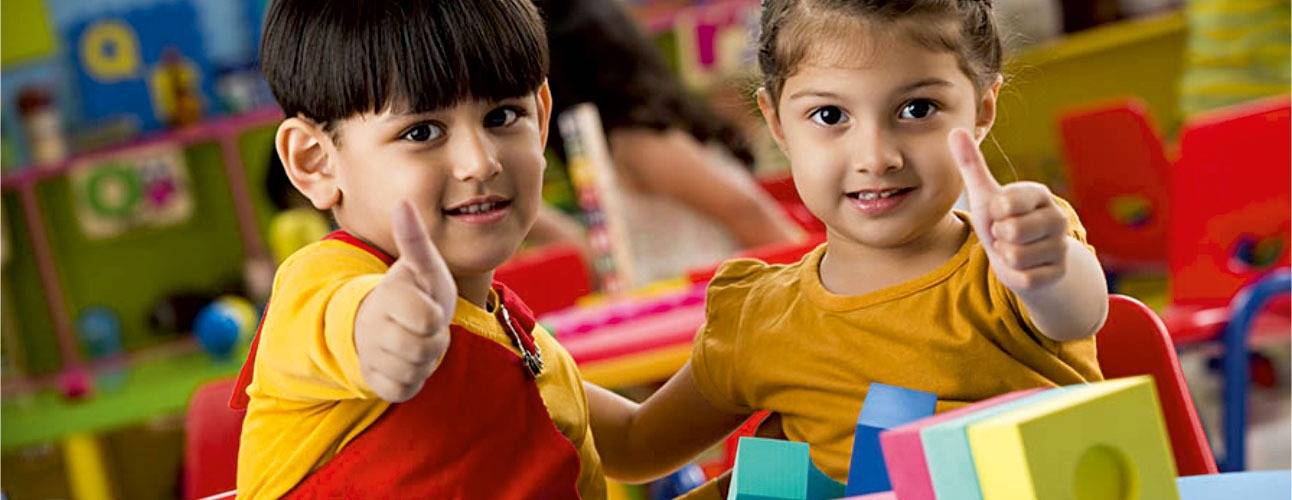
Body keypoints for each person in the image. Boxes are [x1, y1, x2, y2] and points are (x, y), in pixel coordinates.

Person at [583, 0, 1109, 496]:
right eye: (830, 116)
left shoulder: (1014, 260)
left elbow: (1076, 312)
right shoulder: (757, 320)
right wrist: (535, 361)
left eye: (918, 109)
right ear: (776, 123)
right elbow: (634, 445)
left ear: (982, 109)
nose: (876, 157)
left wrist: (1044, 269)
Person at [231, 1, 604, 497]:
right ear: (316, 162)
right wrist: (384, 329)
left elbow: (637, 439)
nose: (480, 162)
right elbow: (352, 325)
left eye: (502, 115)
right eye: (421, 132)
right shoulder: (319, 285)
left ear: (540, 119)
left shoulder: (526, 346)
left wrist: (709, 370)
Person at [529, 0, 805, 286]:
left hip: (711, 296)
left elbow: (749, 213)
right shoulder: (624, 144)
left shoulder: (639, 143)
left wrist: (812, 288)